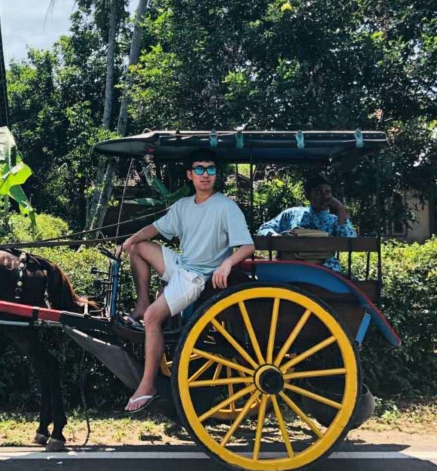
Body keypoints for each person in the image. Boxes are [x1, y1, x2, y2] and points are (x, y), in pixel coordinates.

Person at [117, 149, 256, 413]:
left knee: (154, 318)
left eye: (211, 169)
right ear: (190, 175)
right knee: (139, 248)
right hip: (182, 265)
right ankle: (142, 303)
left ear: (216, 175)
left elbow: (247, 246)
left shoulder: (226, 207)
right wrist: (129, 241)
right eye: (200, 169)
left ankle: (147, 385)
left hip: (197, 277)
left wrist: (226, 263)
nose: (206, 175)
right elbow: (155, 229)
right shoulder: (183, 206)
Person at [255, 175, 355, 272]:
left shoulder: (334, 220)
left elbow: (351, 240)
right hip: (292, 267)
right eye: (318, 192)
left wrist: (340, 208)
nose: (324, 197)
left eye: (328, 192)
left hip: (325, 269)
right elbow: (264, 228)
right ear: (308, 195)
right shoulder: (292, 214)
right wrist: (276, 236)